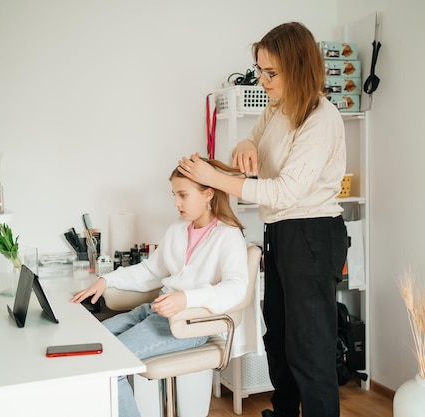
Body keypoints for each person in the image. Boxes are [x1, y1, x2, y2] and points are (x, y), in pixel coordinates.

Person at [179, 22, 348, 417]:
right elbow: (255, 138)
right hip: (283, 232)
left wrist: (215, 178)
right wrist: (244, 143)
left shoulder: (320, 120)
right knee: (281, 340)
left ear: (299, 68)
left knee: (310, 349)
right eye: (259, 70)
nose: (262, 80)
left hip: (311, 234)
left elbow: (283, 191)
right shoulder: (277, 107)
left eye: (271, 73)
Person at [71, 159, 250, 417]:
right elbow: (151, 271)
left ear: (208, 194)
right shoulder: (178, 229)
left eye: (183, 195)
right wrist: (107, 280)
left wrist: (186, 299)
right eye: (174, 195)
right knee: (90, 346)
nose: (176, 203)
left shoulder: (228, 235)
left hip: (187, 325)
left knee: (112, 364)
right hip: (153, 312)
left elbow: (236, 288)